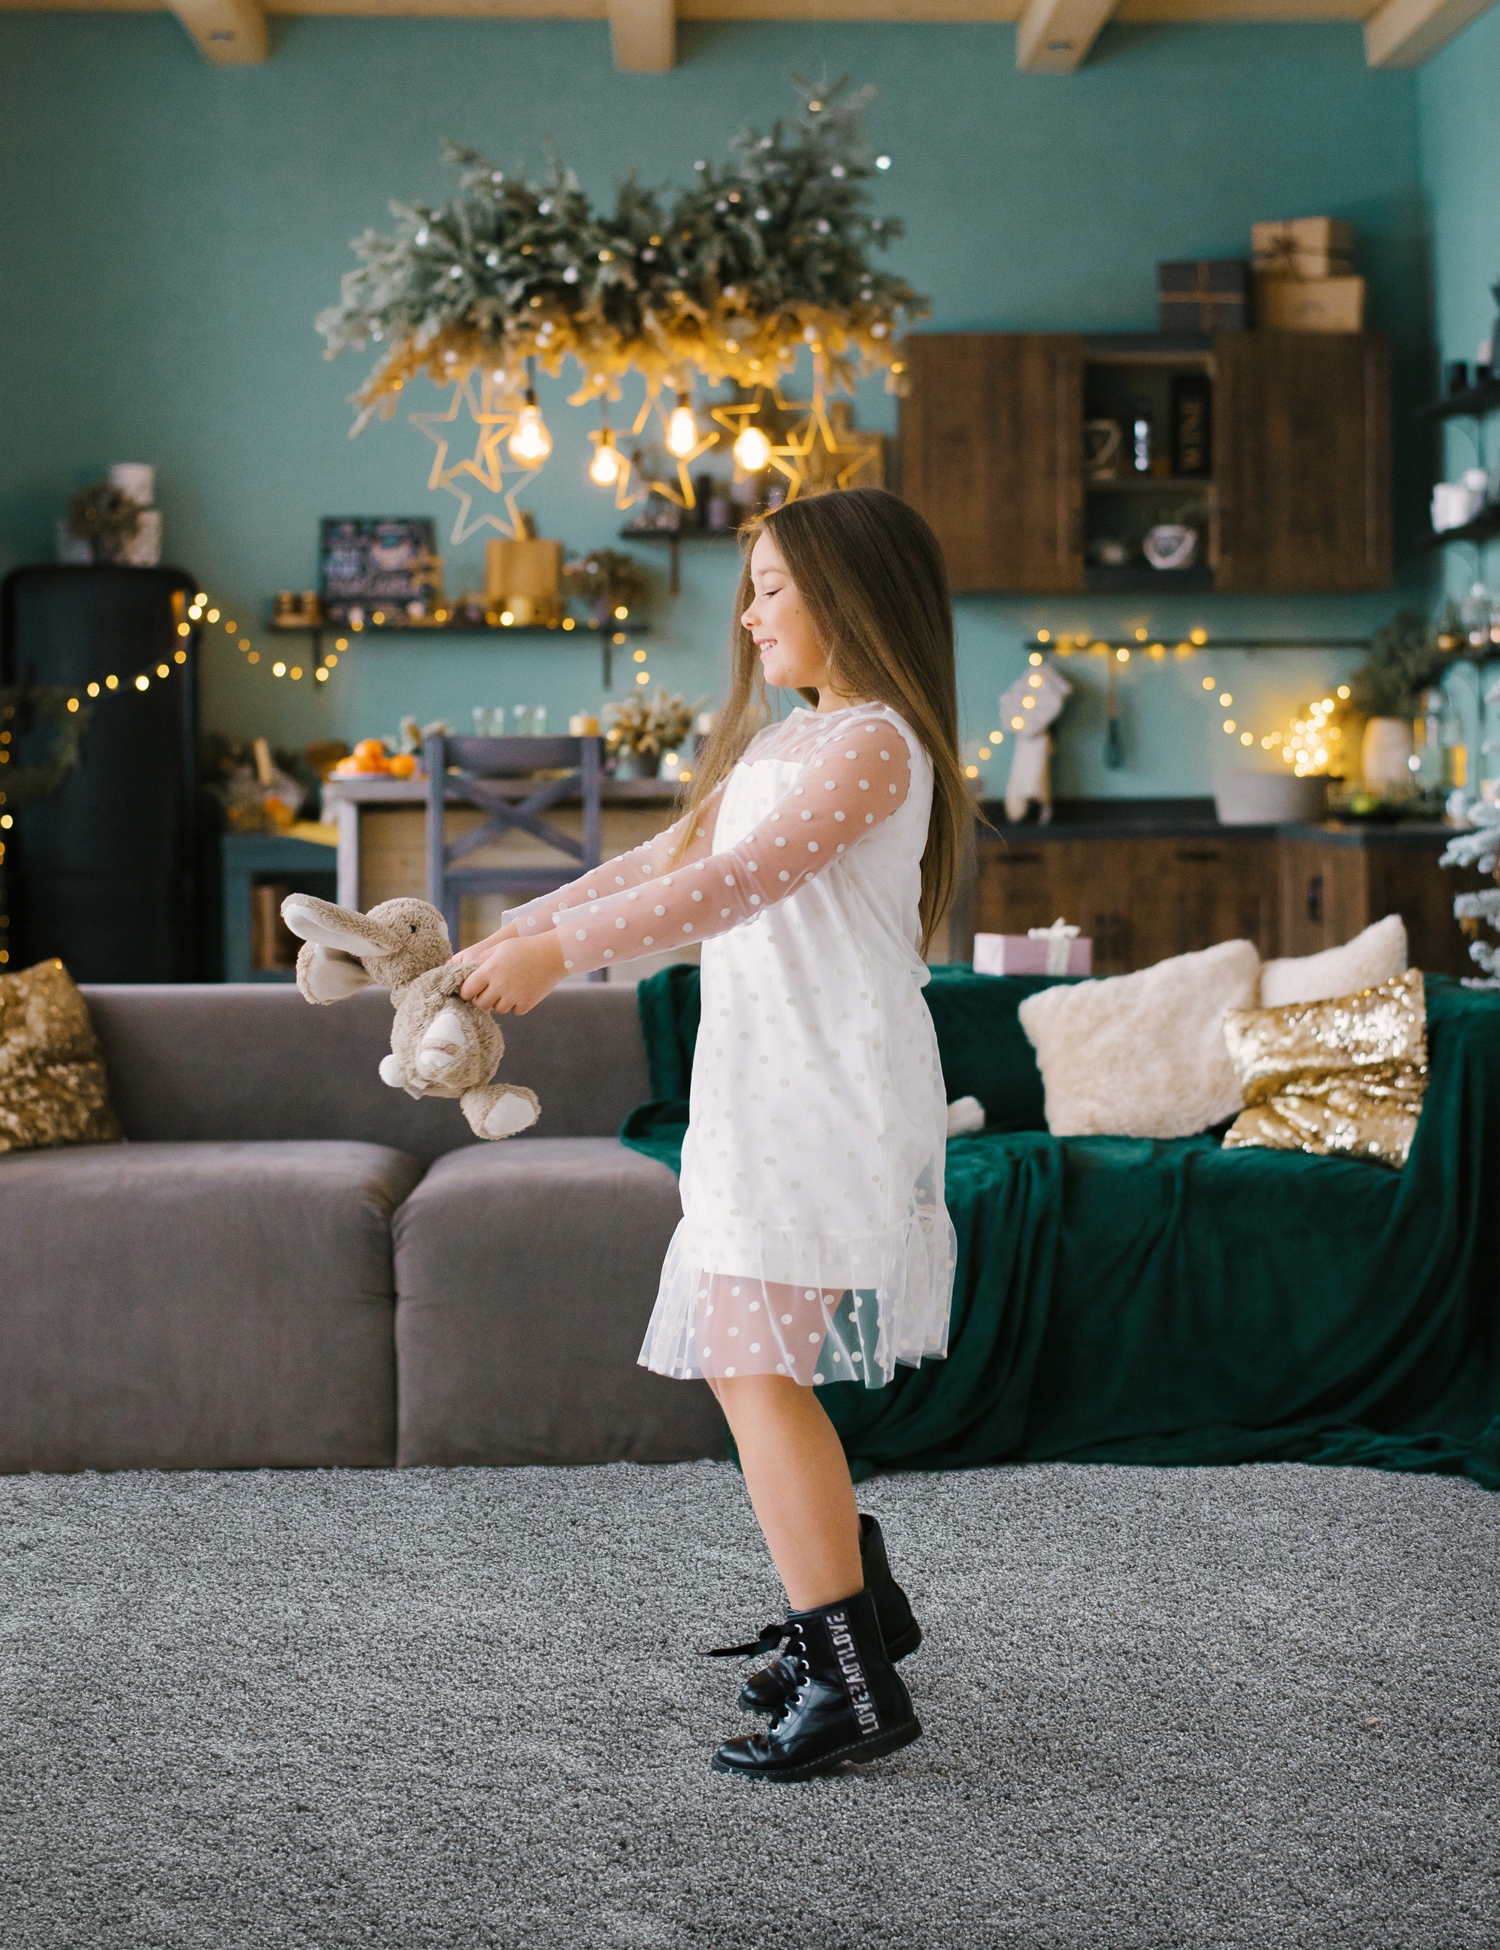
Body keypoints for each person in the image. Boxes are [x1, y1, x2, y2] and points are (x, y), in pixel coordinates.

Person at [456, 486, 967, 1782]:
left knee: (753, 1365)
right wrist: (523, 929)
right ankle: (859, 1611)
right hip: (759, 1084)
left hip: (826, 1089)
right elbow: (668, 857)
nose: (749, 614)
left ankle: (851, 1677)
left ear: (851, 595)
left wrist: (562, 955)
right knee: (754, 1363)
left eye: (772, 587)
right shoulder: (792, 740)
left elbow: (738, 883)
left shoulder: (875, 743)